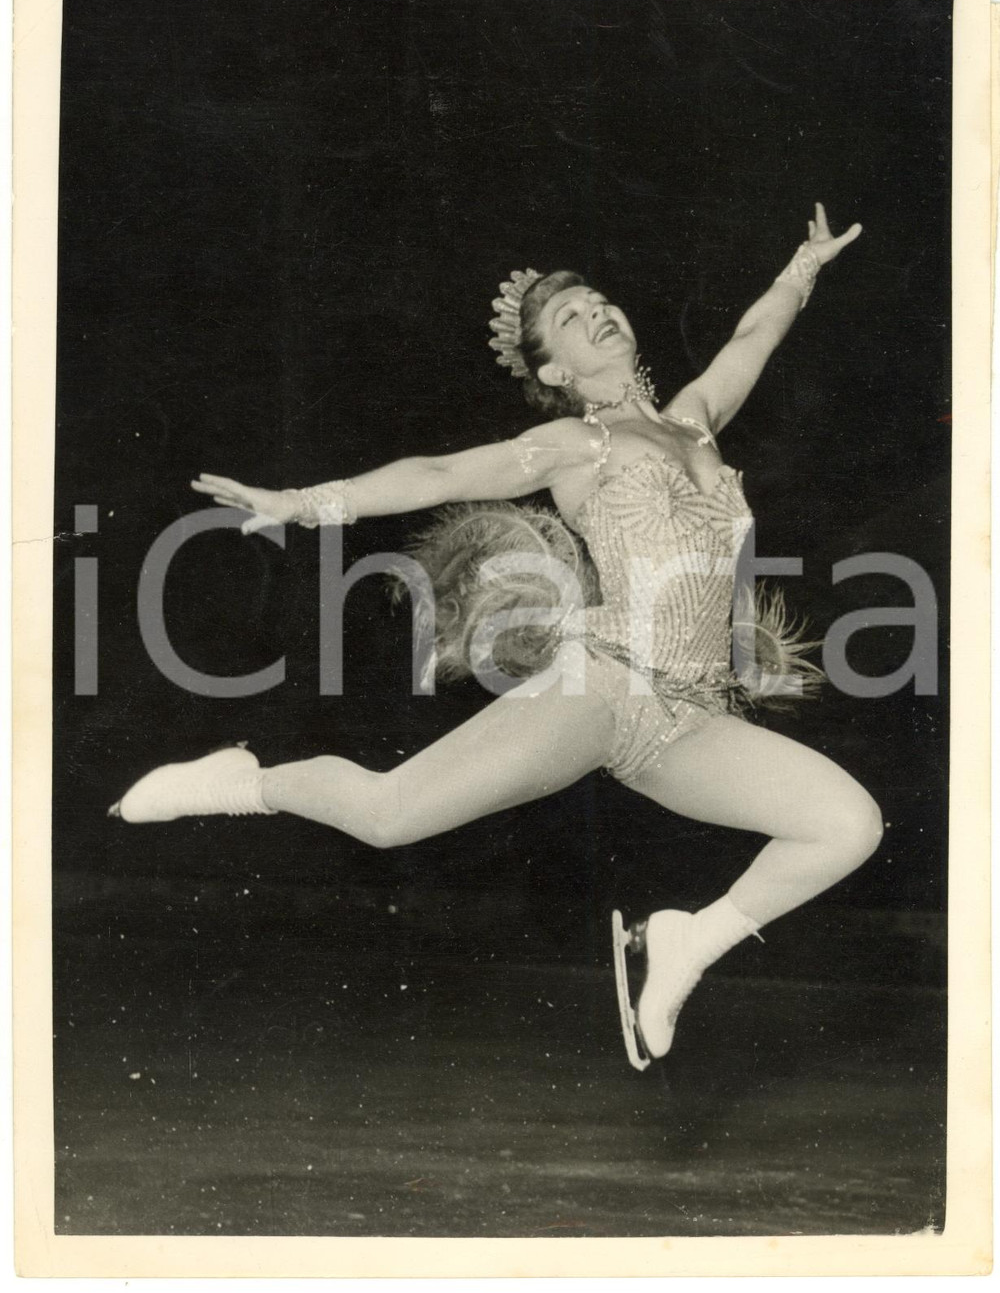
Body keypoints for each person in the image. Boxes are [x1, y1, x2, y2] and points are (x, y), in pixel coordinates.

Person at [111, 203, 882, 1070]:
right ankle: (246, 781)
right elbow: (438, 474)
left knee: (846, 824)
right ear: (554, 369)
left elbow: (754, 334)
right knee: (388, 816)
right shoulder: (572, 445)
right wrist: (303, 503)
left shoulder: (697, 416)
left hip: (689, 720)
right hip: (603, 683)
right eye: (569, 317)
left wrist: (805, 265)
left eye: (597, 299)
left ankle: (684, 945)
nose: (596, 311)